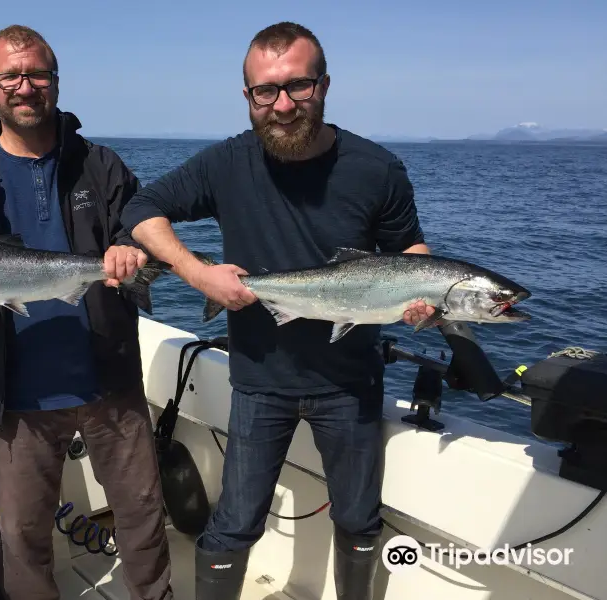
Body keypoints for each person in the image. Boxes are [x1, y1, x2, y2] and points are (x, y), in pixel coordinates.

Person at [119, 21, 433, 600]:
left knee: (359, 520)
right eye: (266, 91)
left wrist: (426, 291)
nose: (283, 105)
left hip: (351, 379)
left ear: (325, 85)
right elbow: (141, 209)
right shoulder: (226, 164)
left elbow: (409, 248)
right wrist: (198, 274)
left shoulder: (376, 168)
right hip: (261, 378)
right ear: (248, 97)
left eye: (298, 86)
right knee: (236, 522)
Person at [0, 25, 173, 600]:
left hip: (109, 379)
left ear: (54, 81)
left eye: (36, 74)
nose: (25, 86)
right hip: (17, 393)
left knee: (143, 516)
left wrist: (133, 249)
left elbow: (142, 227)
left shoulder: (100, 166)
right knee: (23, 536)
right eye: (10, 76)